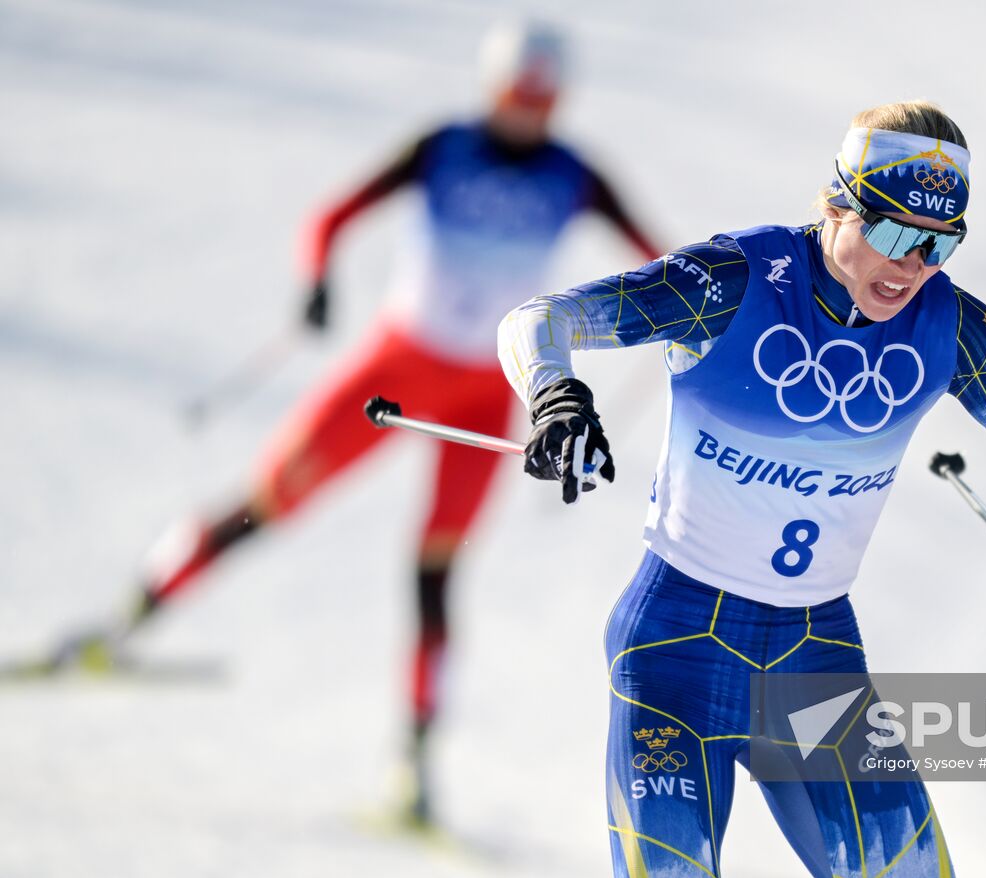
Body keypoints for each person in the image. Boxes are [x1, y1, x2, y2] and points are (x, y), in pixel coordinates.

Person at [55, 19, 662, 826]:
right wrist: (317, 281)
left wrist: (685, 320)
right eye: (517, 98)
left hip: (487, 394)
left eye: (541, 102)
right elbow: (330, 216)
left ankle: (414, 766)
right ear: (493, 88)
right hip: (394, 373)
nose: (526, 116)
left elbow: (663, 264)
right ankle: (122, 624)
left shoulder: (576, 176)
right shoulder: (440, 147)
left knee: (437, 571)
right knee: (264, 501)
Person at [497, 100, 986, 876]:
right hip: (677, 650)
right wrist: (557, 398)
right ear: (836, 205)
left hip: (815, 656)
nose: (911, 265)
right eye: (892, 233)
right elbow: (538, 320)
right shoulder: (735, 281)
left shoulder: (948, 325)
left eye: (938, 243)